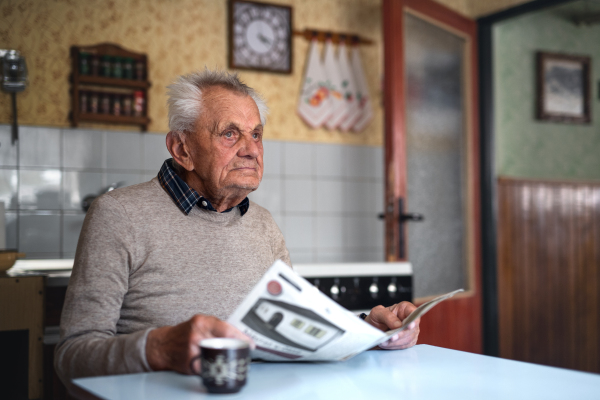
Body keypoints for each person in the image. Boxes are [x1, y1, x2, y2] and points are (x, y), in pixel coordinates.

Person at [55, 69, 420, 384]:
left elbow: (293, 334)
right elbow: (72, 356)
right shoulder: (117, 214)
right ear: (182, 150)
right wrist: (159, 348)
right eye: (229, 133)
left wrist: (367, 330)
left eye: (256, 134)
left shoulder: (263, 224)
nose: (251, 149)